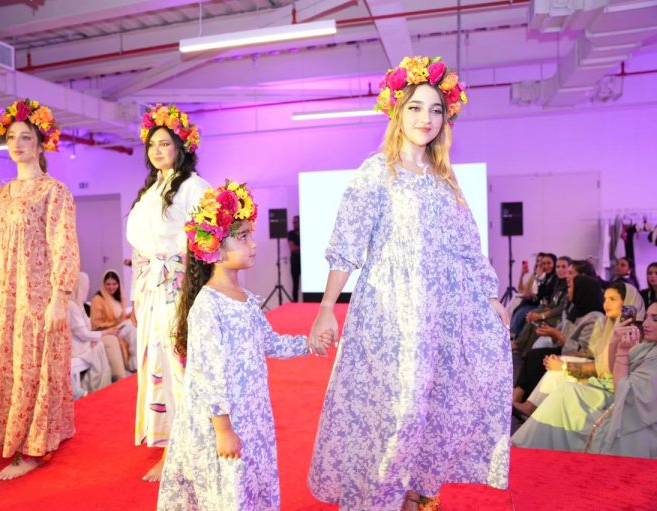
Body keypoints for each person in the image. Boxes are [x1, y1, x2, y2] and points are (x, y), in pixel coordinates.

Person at [307, 56, 511, 511]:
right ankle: (378, 498)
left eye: (436, 110)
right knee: (393, 410)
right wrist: (325, 309)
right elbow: (347, 243)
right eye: (416, 108)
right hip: (389, 315)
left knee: (432, 404)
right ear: (398, 112)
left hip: (438, 314)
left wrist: (489, 296)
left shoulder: (444, 180)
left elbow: (468, 245)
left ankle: (416, 494)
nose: (426, 118)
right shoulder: (377, 171)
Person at [157, 181, 329, 510]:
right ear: (214, 247)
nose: (253, 244)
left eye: (251, 235)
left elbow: (270, 342)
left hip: (252, 414)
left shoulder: (246, 299)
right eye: (243, 237)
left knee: (250, 483)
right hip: (225, 418)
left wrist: (310, 343)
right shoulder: (208, 305)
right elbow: (209, 373)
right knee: (229, 488)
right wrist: (223, 428)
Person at [0, 98, 79, 480]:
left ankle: (34, 447)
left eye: (25, 137)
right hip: (2, 298)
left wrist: (59, 299)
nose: (17, 144)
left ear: (40, 143)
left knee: (34, 368)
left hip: (36, 297)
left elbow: (63, 245)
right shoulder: (0, 195)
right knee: (6, 366)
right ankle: (13, 435)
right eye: (11, 138)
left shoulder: (54, 191)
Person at [126, 103, 209, 481]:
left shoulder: (194, 187)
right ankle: (169, 444)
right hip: (151, 292)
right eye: (152, 145)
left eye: (165, 144)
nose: (157, 150)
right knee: (156, 366)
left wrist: (197, 293)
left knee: (179, 366)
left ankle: (185, 448)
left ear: (181, 147)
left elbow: (206, 245)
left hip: (179, 288)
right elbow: (138, 252)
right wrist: (134, 297)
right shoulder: (150, 191)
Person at [511, 283, 644, 448]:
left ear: (628, 303)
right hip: (600, 378)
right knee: (546, 361)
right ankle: (525, 420)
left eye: (613, 299)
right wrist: (565, 358)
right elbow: (592, 354)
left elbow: (603, 367)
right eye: (605, 299)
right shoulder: (606, 323)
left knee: (561, 379)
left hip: (612, 386)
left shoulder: (633, 333)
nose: (606, 304)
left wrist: (565, 365)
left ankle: (525, 432)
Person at [585, 302, 657, 458]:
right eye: (646, 317)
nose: (645, 324)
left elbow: (625, 394)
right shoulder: (649, 346)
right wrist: (614, 342)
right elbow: (615, 370)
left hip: (638, 426)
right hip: (620, 405)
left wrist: (623, 351)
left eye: (655, 319)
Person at [68, 272, 113, 393]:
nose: (88, 287)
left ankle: (99, 385)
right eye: (87, 284)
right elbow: (82, 333)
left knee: (99, 345)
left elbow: (85, 331)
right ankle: (94, 387)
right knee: (100, 347)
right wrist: (101, 335)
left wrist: (92, 339)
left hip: (82, 343)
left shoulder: (78, 304)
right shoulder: (72, 305)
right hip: (76, 348)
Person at [90, 269, 136, 371]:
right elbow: (96, 324)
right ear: (103, 284)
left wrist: (130, 315)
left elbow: (121, 318)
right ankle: (134, 364)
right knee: (132, 326)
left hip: (120, 327)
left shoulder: (117, 298)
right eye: (108, 284)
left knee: (135, 323)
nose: (111, 287)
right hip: (108, 330)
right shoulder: (98, 299)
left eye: (114, 284)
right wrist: (116, 323)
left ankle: (138, 360)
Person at [288, 215, 301, 302]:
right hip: (295, 263)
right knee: (295, 285)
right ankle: (295, 303)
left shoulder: (305, 232)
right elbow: (292, 248)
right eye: (293, 222)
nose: (294, 224)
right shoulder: (291, 234)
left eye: (296, 222)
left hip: (305, 263)